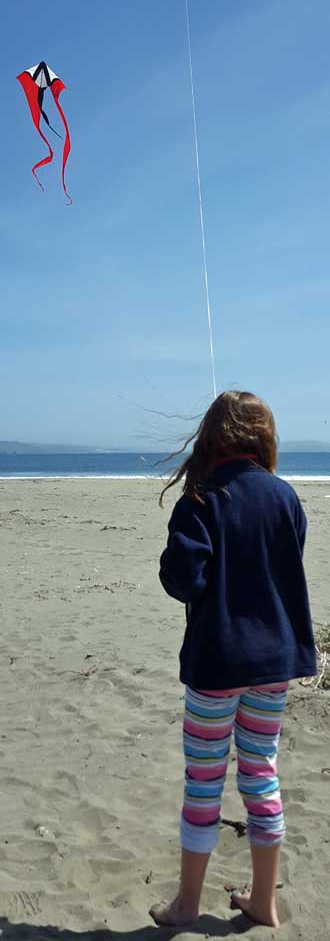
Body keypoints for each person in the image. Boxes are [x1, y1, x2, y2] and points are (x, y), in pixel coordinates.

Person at [150, 391, 316, 929]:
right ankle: (264, 902)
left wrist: (177, 558)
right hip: (273, 666)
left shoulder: (200, 499)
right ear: (262, 437)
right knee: (260, 774)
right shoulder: (286, 497)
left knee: (204, 782)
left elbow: (183, 580)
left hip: (216, 664)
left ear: (210, 437)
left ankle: (187, 904)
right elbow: (287, 561)